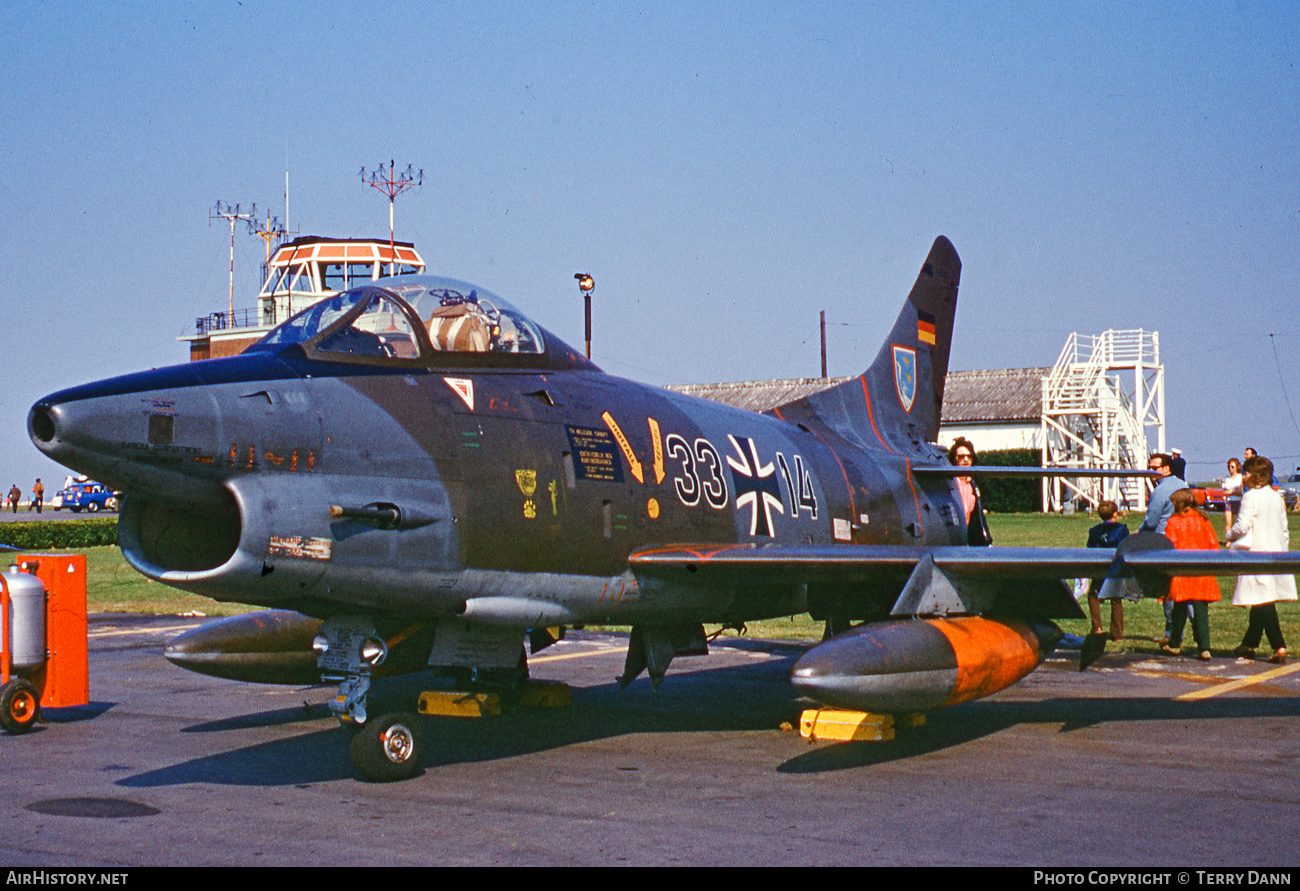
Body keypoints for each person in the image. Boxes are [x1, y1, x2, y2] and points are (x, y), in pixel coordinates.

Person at [1226, 455, 1296, 663]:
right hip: (1275, 552)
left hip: (1256, 553)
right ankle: (1248, 645)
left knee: (1263, 601)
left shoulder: (1251, 497)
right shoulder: (1275, 496)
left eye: (1246, 472)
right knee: (1261, 599)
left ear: (1254, 476)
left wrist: (1229, 534)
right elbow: (1284, 528)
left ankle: (1279, 645)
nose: (1243, 477)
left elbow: (1243, 524)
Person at [1160, 488, 1220, 660]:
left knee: (1179, 607)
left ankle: (1174, 643)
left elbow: (1170, 545)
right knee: (1201, 609)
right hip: (1201, 568)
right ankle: (1204, 647)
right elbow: (1213, 545)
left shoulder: (1174, 521)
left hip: (1181, 569)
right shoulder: (1204, 519)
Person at [1086, 500, 1129, 641]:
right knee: (1116, 599)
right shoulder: (1122, 530)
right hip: (1115, 566)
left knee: (1093, 594)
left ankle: (1097, 627)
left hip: (1099, 566)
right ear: (1115, 513)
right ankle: (1117, 633)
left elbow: (1090, 549)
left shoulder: (1094, 531)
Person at [948, 437, 991, 546]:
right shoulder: (950, 484)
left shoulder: (973, 485)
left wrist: (987, 539)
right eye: (961, 457)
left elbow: (979, 516)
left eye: (969, 456)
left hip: (975, 542)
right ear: (954, 459)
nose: (966, 460)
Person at [1140, 453, 1184, 534]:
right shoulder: (1183, 485)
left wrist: (1139, 532)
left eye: (1154, 468)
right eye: (1149, 468)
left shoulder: (1160, 490)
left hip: (1162, 538)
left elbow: (1151, 523)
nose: (1150, 471)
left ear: (1166, 469)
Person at [1222, 457, 1244, 529]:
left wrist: (1231, 491)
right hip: (1229, 501)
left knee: (1240, 522)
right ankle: (1228, 540)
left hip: (1239, 501)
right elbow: (1224, 492)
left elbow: (1240, 491)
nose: (1230, 468)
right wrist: (1233, 491)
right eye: (1229, 467)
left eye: (1232, 467)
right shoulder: (1227, 479)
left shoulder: (1240, 477)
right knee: (1228, 522)